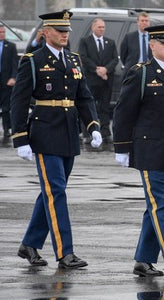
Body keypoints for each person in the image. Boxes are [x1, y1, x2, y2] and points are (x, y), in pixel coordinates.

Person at [11, 10, 103, 269]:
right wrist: (20, 138)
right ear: (46, 32)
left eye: (67, 32)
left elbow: (84, 96)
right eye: (60, 31)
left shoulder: (73, 60)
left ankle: (29, 244)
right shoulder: (33, 59)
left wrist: (93, 125)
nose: (65, 35)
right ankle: (65, 253)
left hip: (68, 133)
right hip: (44, 134)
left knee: (51, 192)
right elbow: (18, 99)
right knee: (57, 193)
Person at [113, 24, 164, 278]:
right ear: (152, 45)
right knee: (161, 205)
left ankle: (143, 259)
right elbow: (124, 111)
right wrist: (122, 147)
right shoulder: (141, 73)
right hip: (149, 149)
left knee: (159, 206)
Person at [78, 18, 119, 139]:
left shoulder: (110, 42)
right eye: (99, 27)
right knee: (89, 106)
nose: (102, 29)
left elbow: (115, 59)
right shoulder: (85, 41)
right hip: (91, 79)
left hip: (106, 79)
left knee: (105, 106)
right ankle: (87, 132)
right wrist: (96, 69)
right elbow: (84, 57)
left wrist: (106, 69)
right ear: (93, 28)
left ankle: (105, 132)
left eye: (103, 27)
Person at [0, 25, 18, 138]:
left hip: (6, 80)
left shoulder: (11, 46)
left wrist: (13, 77)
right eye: (0, 32)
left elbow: (14, 64)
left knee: (6, 107)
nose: (2, 34)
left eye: (3, 32)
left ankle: (7, 128)